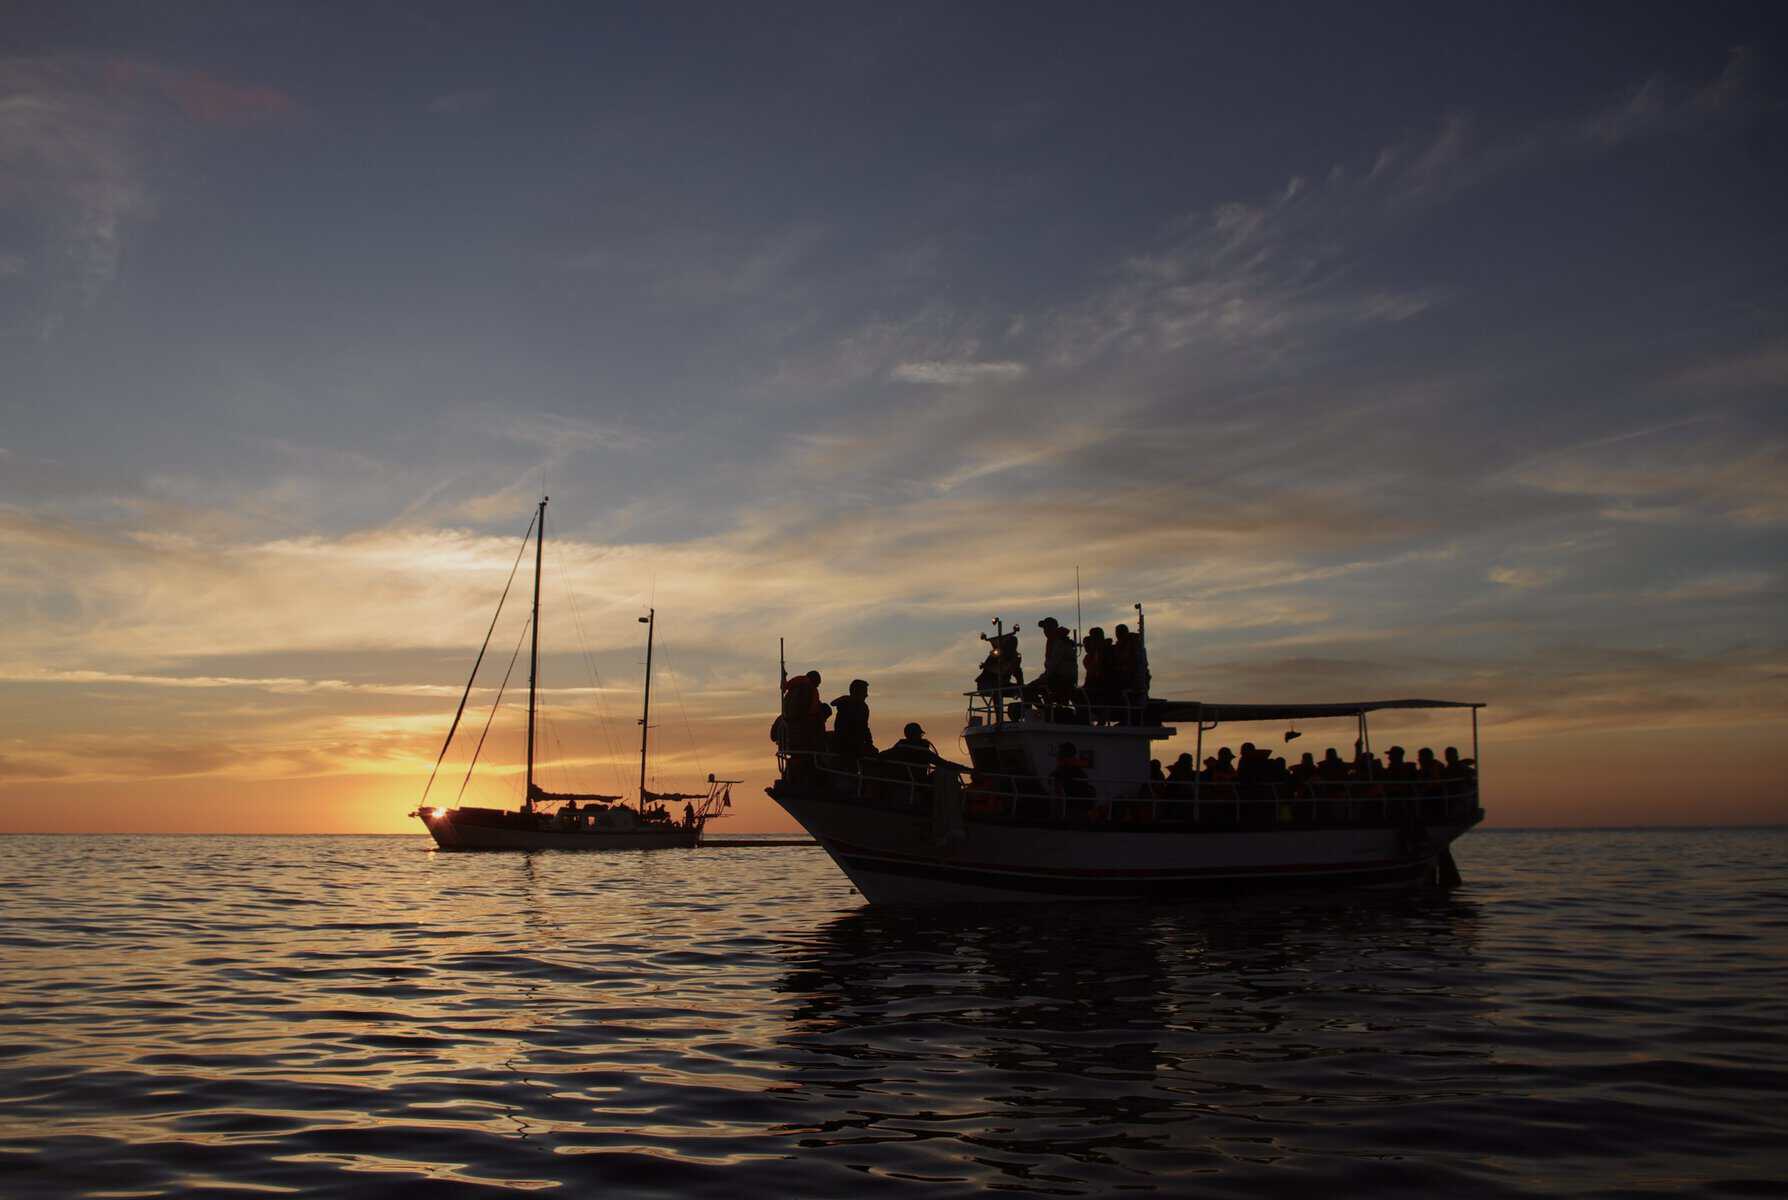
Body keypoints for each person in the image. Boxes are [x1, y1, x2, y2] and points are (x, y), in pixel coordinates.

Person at [831, 679, 875, 762]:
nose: (866, 695)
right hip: (850, 748)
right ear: (857, 692)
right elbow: (863, 727)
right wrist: (869, 745)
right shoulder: (859, 707)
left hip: (845, 746)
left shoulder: (848, 704)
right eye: (864, 691)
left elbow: (864, 727)